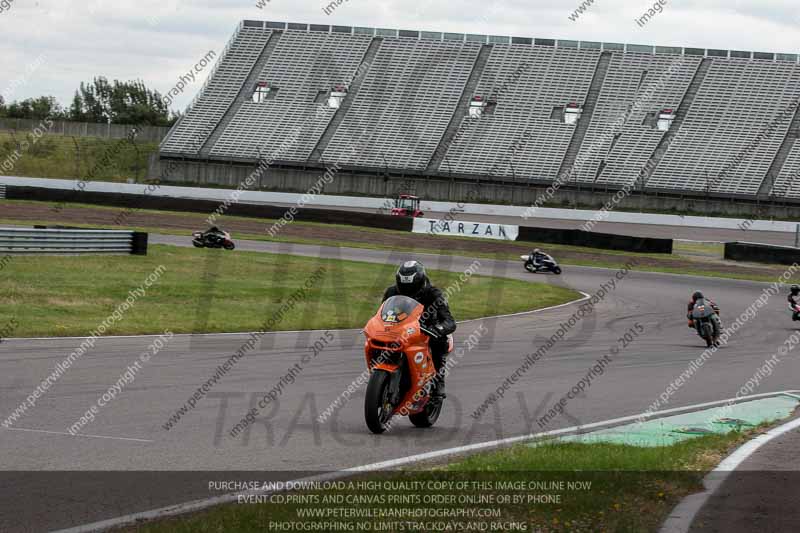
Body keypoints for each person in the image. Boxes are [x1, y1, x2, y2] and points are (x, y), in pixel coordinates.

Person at [383, 261, 456, 398]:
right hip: (400, 329)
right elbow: (381, 313)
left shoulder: (434, 294)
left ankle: (438, 381)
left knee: (439, 342)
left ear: (420, 282)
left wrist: (437, 329)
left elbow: (450, 321)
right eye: (403, 287)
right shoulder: (391, 292)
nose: (407, 291)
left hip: (426, 330)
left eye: (411, 287)